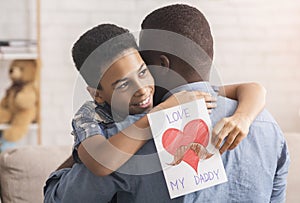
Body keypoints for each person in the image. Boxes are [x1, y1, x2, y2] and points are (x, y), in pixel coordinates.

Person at [44, 4, 287, 203]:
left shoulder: (127, 140)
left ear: (161, 66)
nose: (141, 89)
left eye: (144, 68)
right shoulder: (267, 125)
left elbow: (59, 199)